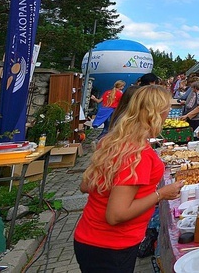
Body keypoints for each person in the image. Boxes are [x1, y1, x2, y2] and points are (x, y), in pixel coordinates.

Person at [74, 85, 183, 273]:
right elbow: (116, 215)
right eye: (167, 109)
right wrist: (161, 194)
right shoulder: (137, 154)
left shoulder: (113, 140)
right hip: (112, 245)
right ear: (156, 114)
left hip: (90, 237)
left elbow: (85, 185)